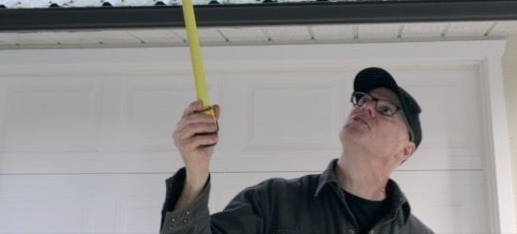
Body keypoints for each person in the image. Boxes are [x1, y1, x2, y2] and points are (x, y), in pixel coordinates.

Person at [160, 66, 434, 233]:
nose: (366, 107)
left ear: (406, 150)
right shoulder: (273, 201)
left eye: (385, 109)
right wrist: (196, 175)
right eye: (362, 100)